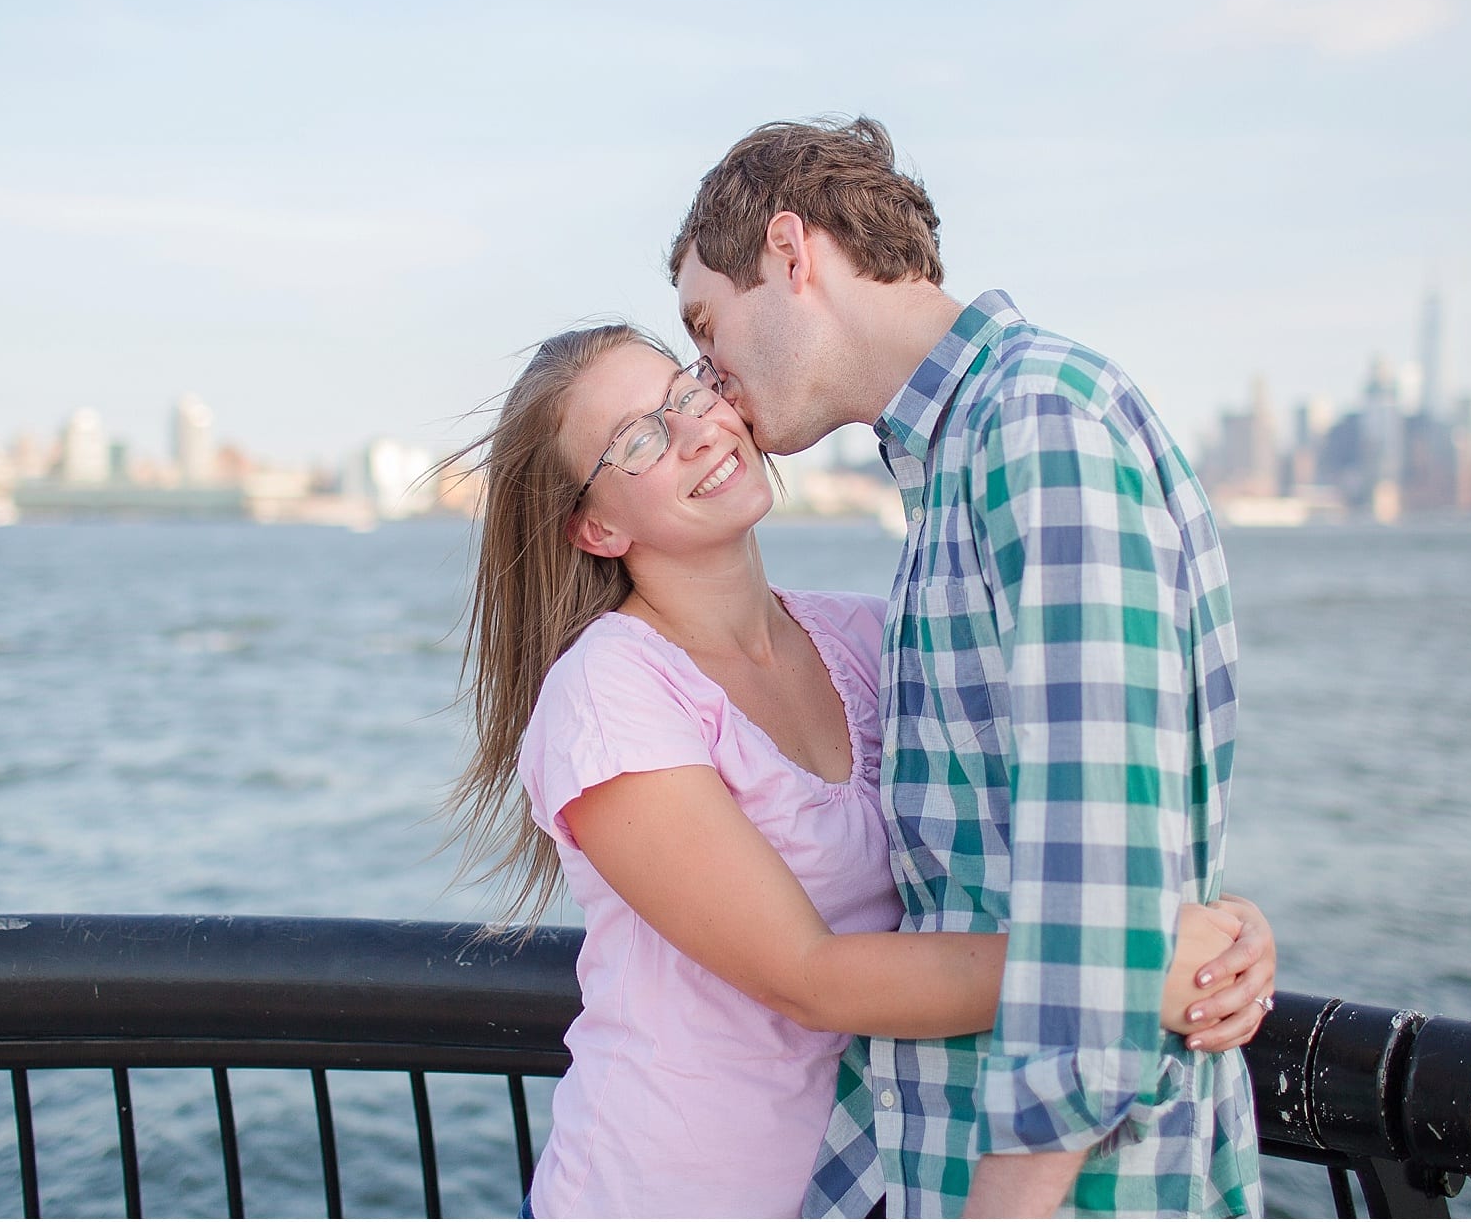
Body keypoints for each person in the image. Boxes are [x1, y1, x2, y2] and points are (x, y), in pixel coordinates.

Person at [442, 324, 1276, 1219]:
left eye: (685, 390)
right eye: (638, 439)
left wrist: (1217, 929)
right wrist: (1117, 967)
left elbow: (1032, 828)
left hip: (861, 1185)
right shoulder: (608, 694)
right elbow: (808, 974)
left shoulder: (868, 637)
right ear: (596, 526)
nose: (694, 430)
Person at [669, 116, 1262, 1217]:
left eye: (708, 324)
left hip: (1068, 1192)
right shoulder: (965, 456)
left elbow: (1096, 867)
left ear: (792, 254)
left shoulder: (1034, 423)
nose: (710, 376)